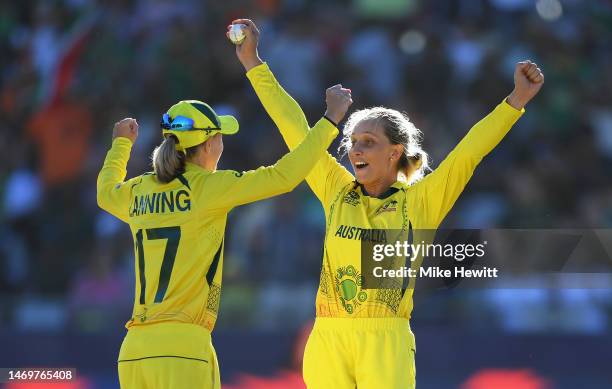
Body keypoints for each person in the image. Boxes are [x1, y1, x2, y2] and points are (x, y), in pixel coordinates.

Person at [234, 18, 544, 389]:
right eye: (354, 142)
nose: (357, 150)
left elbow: (469, 154)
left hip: (385, 339)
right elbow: (294, 128)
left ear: (395, 152)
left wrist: (515, 103)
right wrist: (254, 63)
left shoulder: (422, 201)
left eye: (369, 142)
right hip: (327, 336)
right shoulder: (335, 188)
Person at [96, 37, 353, 387]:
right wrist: (330, 121)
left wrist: (120, 147)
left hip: (134, 349)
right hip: (185, 346)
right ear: (210, 143)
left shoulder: (139, 190)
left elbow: (105, 194)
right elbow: (285, 175)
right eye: (220, 136)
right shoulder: (209, 188)